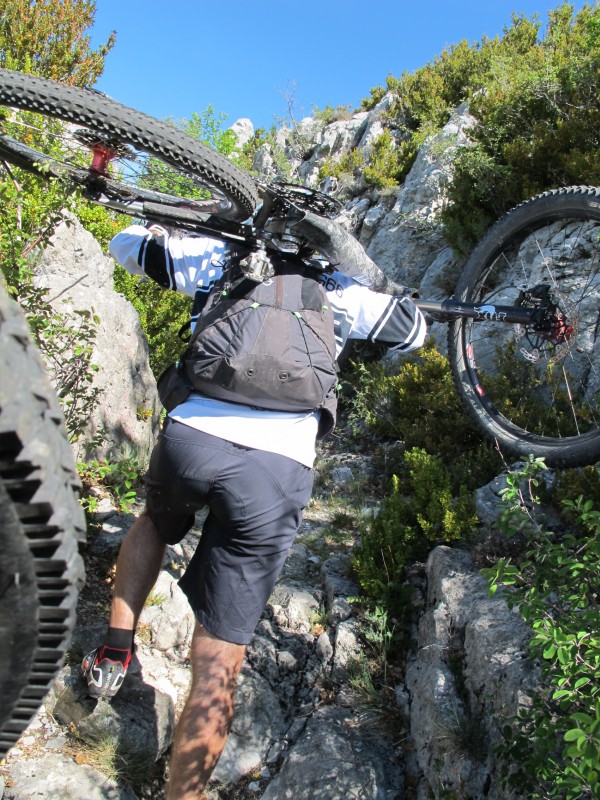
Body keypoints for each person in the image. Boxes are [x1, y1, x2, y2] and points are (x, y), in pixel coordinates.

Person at [81, 220, 427, 800]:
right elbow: (414, 332)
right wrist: (382, 286)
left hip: (191, 439)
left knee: (154, 524)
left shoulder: (224, 259)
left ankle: (117, 642)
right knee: (221, 661)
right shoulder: (339, 289)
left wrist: (159, 228)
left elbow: (126, 248)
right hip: (275, 472)